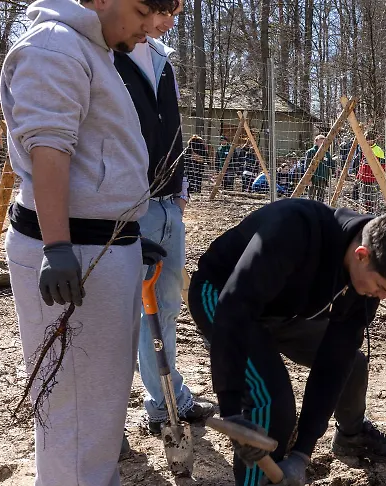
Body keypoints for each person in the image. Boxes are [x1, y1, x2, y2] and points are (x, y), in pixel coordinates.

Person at [0, 0, 177, 486]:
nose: (153, 26)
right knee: (85, 398)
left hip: (95, 242)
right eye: (146, 10)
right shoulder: (55, 49)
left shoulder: (89, 48)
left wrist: (123, 230)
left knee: (78, 396)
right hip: (73, 250)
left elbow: (95, 156)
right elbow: (49, 151)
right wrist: (57, 247)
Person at [187, 201, 386, 486]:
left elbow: (335, 359)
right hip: (224, 295)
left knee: (351, 366)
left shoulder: (363, 281)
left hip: (285, 312)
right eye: (380, 287)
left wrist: (301, 456)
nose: (380, 297)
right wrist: (234, 410)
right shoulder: (294, 230)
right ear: (362, 255)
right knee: (272, 404)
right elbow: (237, 307)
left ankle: (351, 434)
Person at [114, 1, 216, 438]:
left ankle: (164, 400)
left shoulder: (161, 59)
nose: (170, 21)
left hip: (167, 204)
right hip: (122, 210)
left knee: (164, 310)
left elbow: (171, 127)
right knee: (119, 315)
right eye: (163, 9)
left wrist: (180, 193)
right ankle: (108, 422)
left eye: (175, 12)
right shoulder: (104, 56)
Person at [304, 134, 334, 202]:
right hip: (313, 179)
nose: (322, 144)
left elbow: (331, 164)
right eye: (321, 142)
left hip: (323, 179)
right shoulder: (311, 152)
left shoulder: (326, 153)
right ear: (316, 142)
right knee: (311, 198)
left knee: (321, 199)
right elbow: (306, 166)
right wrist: (308, 179)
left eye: (324, 142)